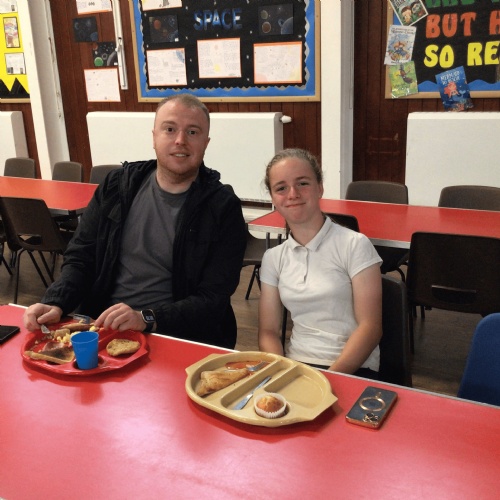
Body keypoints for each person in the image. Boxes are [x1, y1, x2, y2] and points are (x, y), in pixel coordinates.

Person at [23, 93, 247, 349]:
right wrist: (56, 301)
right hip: (103, 327)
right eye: (170, 129)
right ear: (154, 136)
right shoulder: (116, 186)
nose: (180, 140)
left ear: (205, 143)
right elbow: (81, 256)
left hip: (177, 335)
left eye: (192, 132)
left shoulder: (222, 206)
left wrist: (146, 318)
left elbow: (213, 298)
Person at [258, 149, 383, 377]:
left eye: (303, 183)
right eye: (281, 188)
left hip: (352, 368)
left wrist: (326, 380)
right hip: (296, 366)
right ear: (273, 198)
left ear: (320, 188)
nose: (293, 194)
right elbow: (268, 331)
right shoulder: (273, 258)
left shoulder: (354, 244)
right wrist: (280, 372)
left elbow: (371, 328)